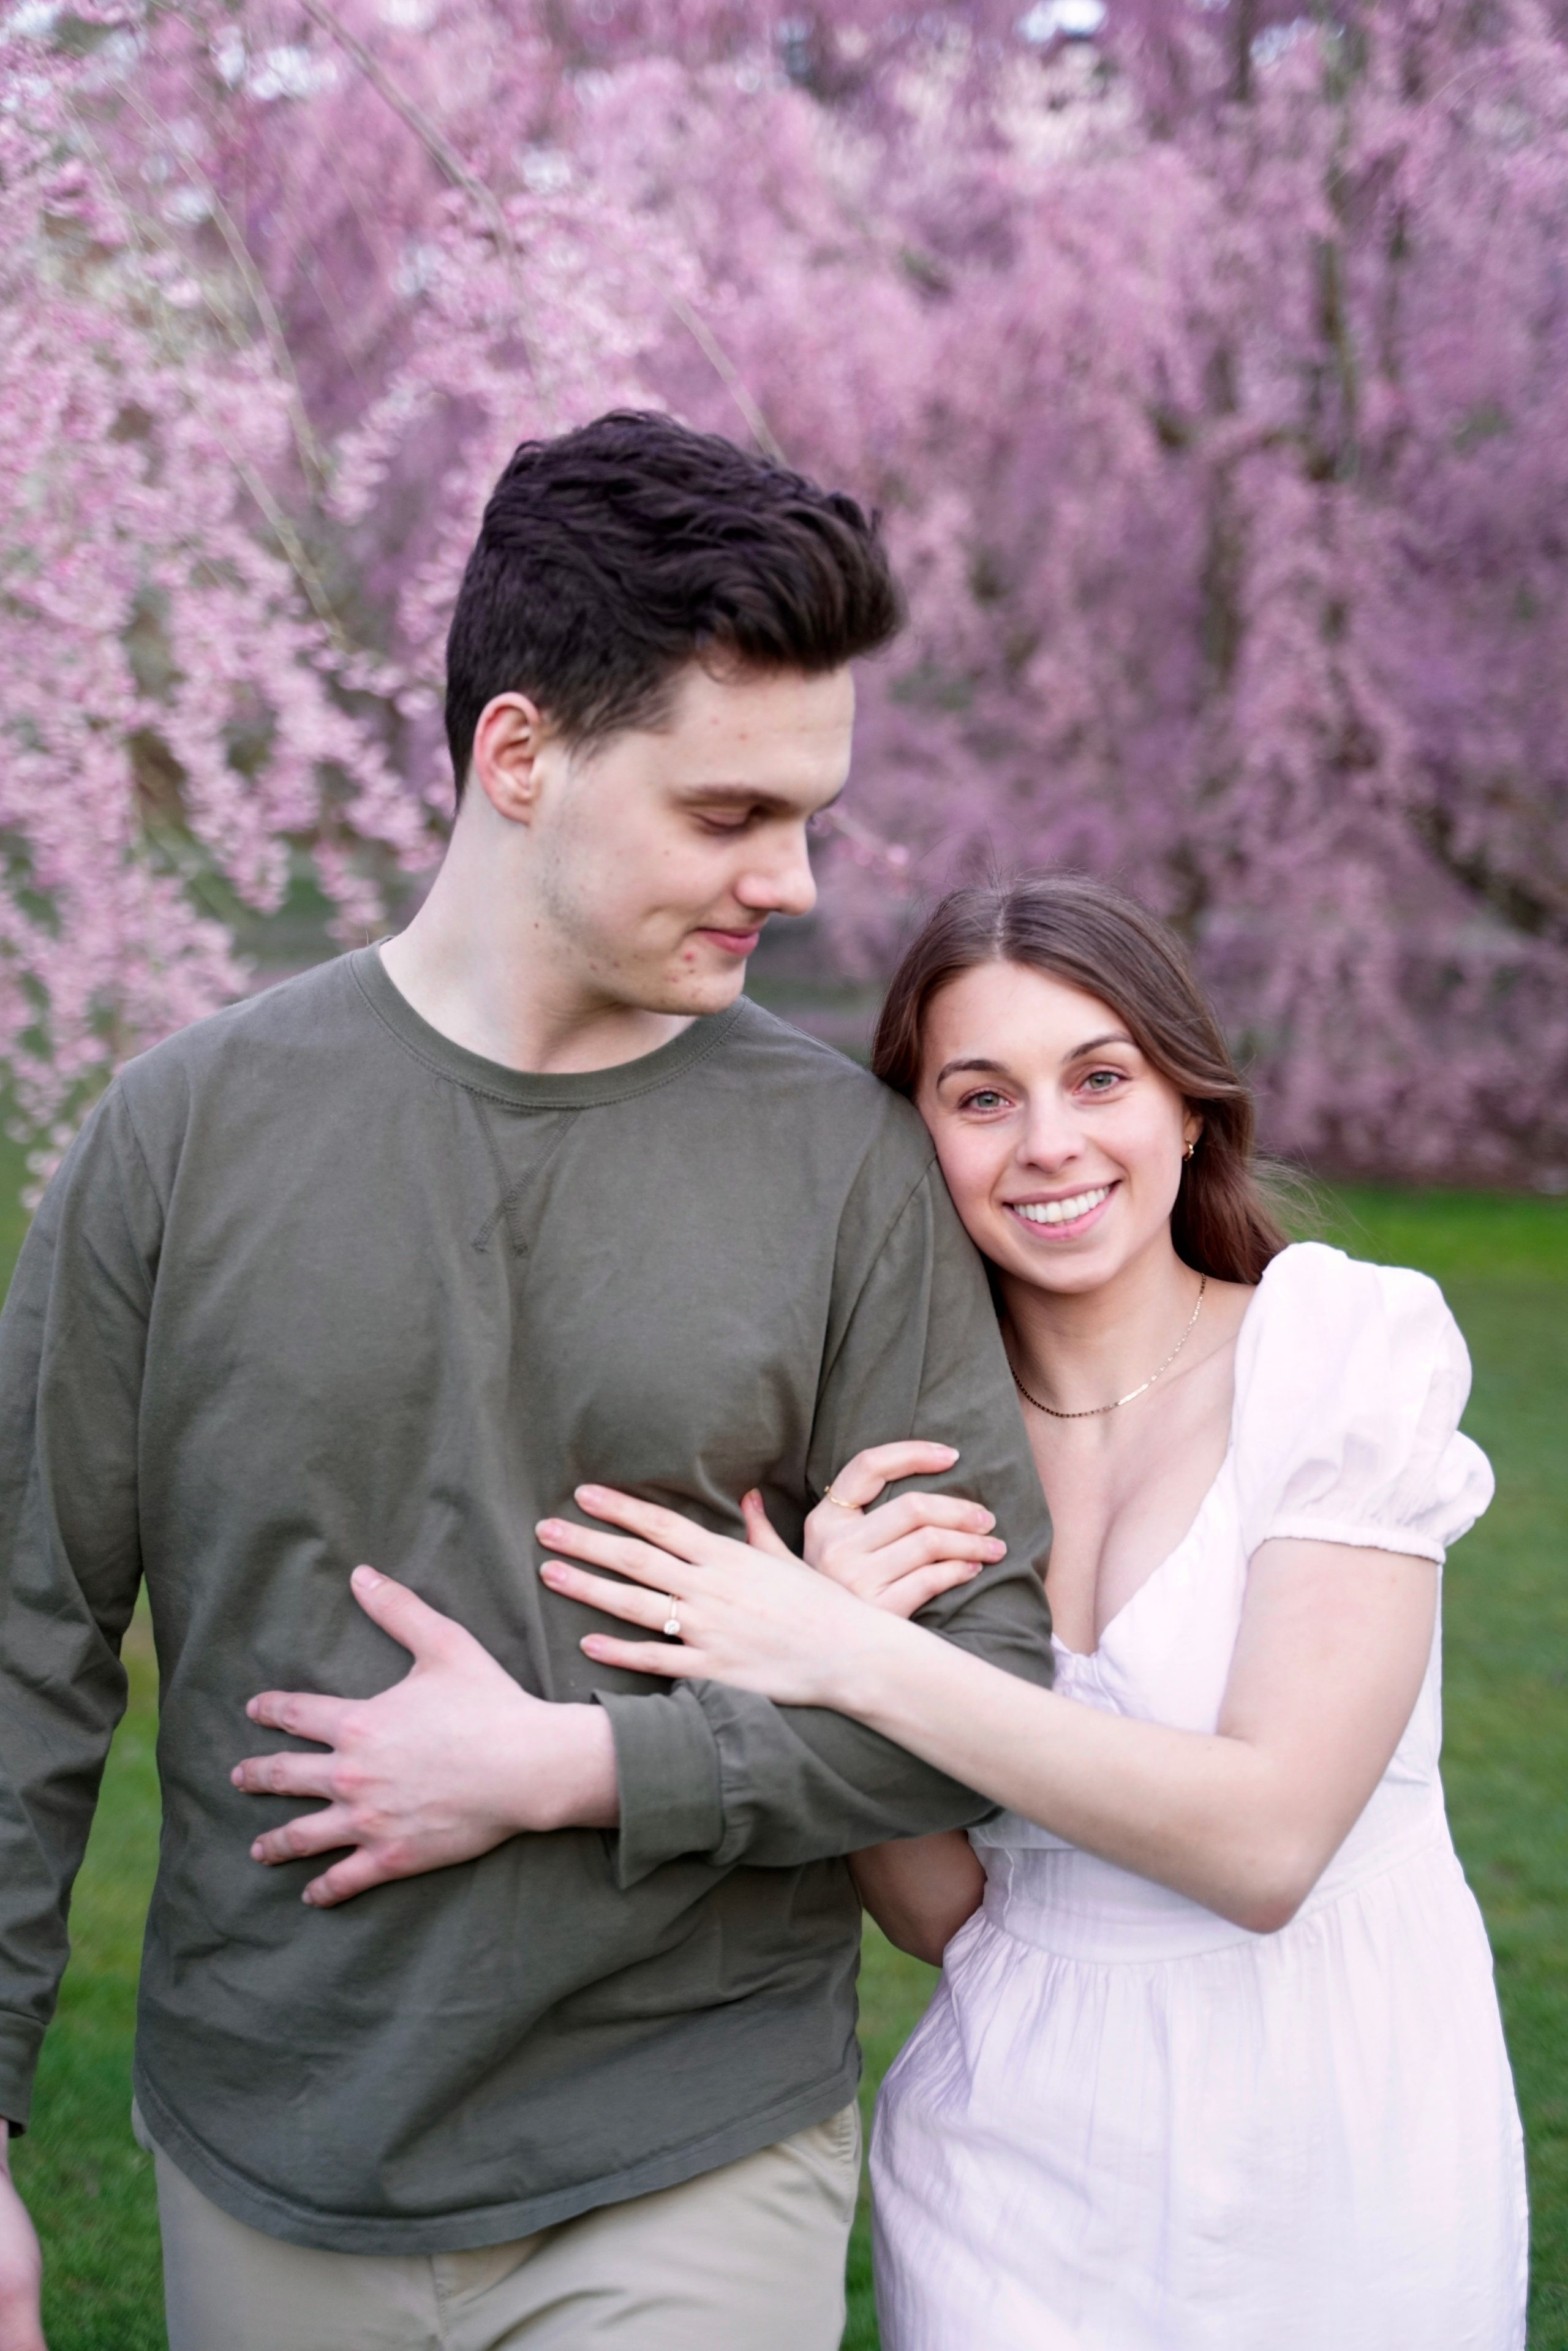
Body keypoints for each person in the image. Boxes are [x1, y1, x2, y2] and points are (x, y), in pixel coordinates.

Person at [0, 415, 1058, 2351]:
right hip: (272, 2134)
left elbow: (984, 1694)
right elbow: (23, 1642)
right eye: (730, 814)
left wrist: (600, 1766)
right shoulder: (179, 1135)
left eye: (809, 812)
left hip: (689, 2138)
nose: (797, 881)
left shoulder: (844, 1164)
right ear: (519, 756)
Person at [536, 874, 1531, 2350]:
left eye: (1099, 1076)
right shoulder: (905, 1454)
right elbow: (943, 1910)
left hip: (1340, 2136)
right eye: (979, 1095)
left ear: (1185, 1106)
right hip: (1005, 2157)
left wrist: (850, 1652)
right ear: (916, 1139)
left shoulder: (1336, 1349)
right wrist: (828, 1671)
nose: (1048, 1141)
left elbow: (1264, 1844)